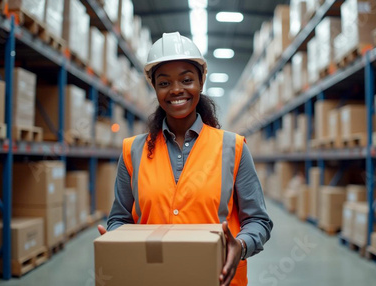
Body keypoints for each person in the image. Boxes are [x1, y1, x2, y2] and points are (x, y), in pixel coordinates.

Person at [98, 32, 273, 286]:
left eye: (187, 79)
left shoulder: (232, 147)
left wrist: (241, 245)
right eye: (164, 82)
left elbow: (258, 220)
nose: (176, 90)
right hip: (151, 278)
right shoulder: (133, 151)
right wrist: (116, 240)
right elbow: (119, 218)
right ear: (155, 88)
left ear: (201, 82)